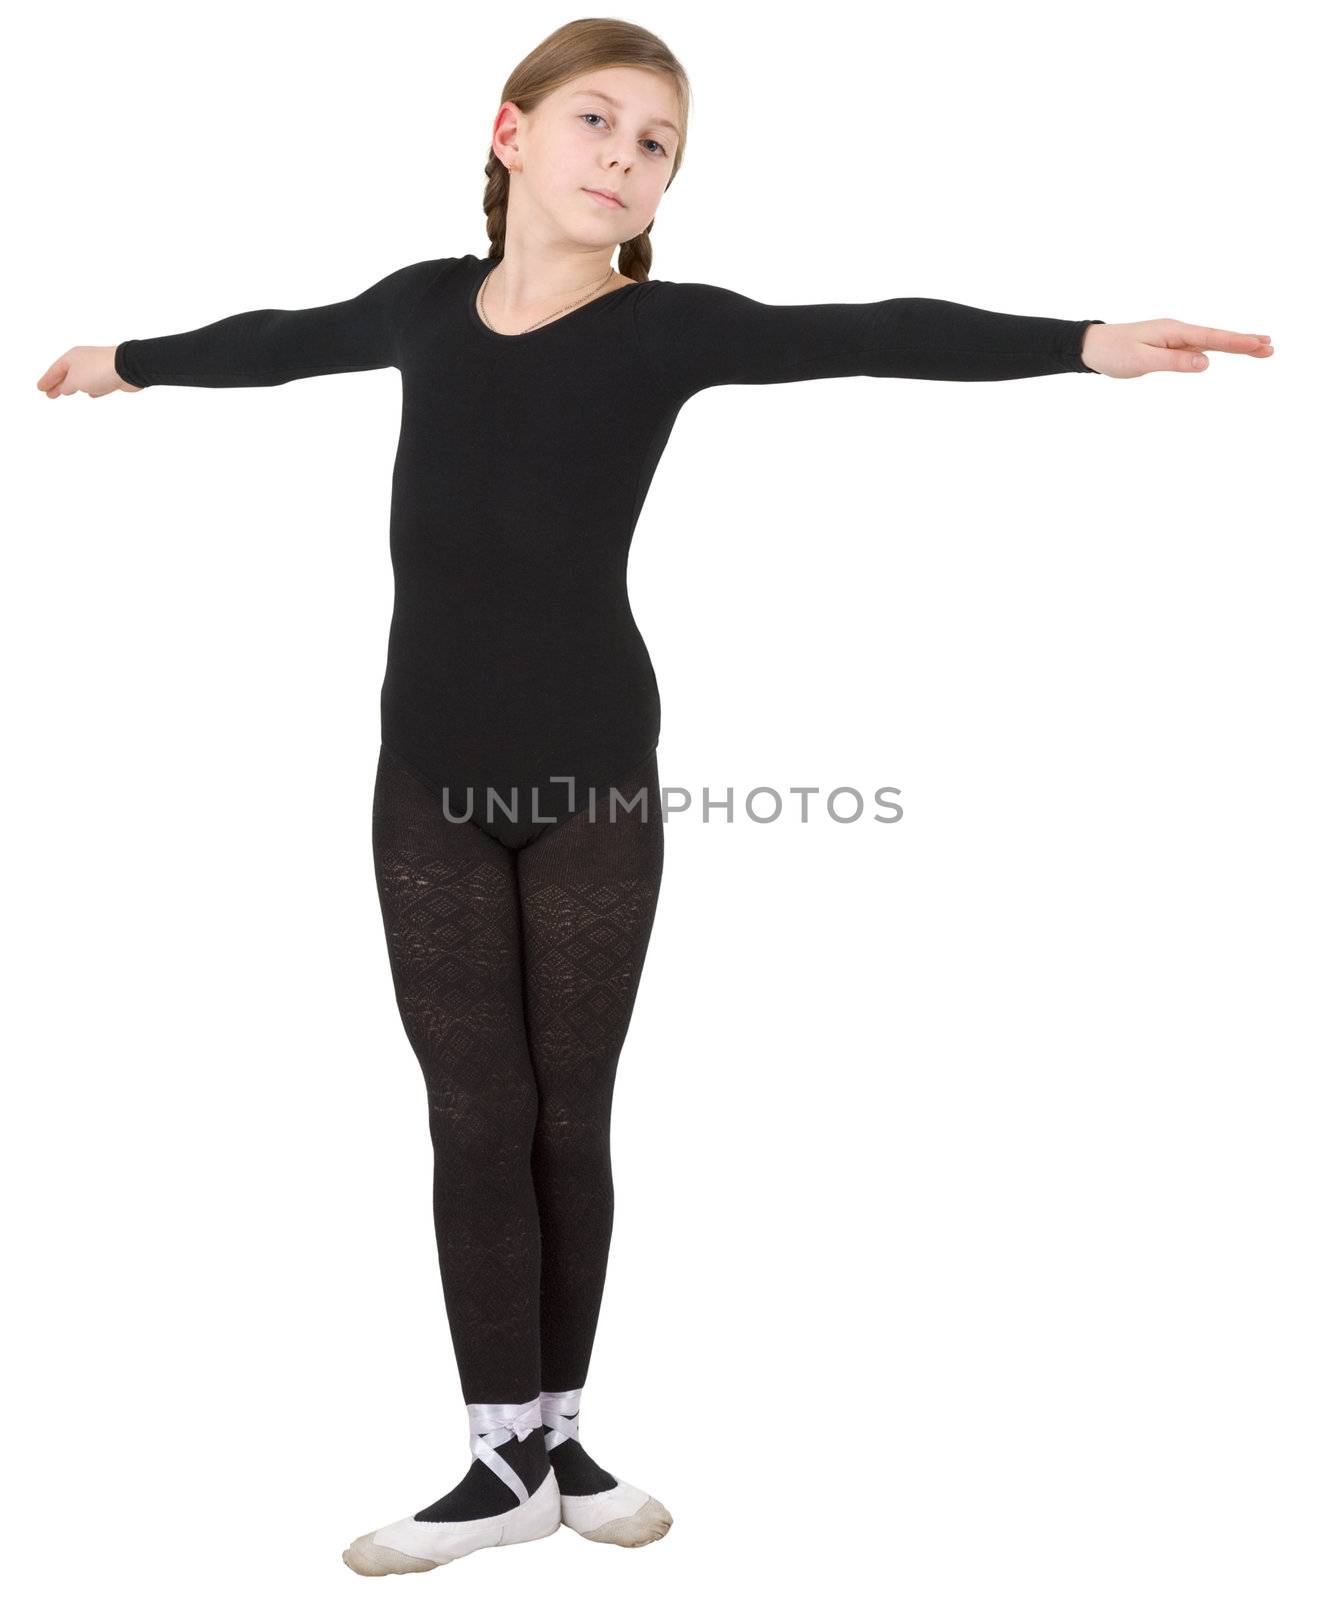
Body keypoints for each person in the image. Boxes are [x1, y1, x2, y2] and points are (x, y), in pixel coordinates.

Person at [36, 16, 1274, 1580]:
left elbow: (873, 325)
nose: (623, 159)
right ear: (510, 134)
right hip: (423, 772)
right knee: (471, 1115)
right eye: (598, 124)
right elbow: (280, 334)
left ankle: (557, 1433)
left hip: (589, 778)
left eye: (656, 145)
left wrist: (1078, 339)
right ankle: (499, 1457)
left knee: (568, 1113)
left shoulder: (662, 329)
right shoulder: (422, 305)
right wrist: (125, 362)